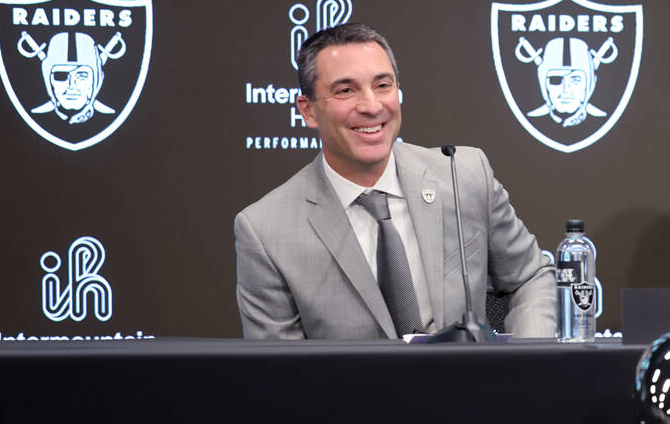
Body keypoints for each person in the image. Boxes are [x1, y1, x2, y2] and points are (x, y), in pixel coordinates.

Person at [235, 23, 556, 339]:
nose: (372, 106)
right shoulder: (266, 231)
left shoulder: (464, 176)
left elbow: (530, 277)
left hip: (469, 375)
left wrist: (525, 360)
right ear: (308, 111)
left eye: (383, 85)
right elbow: (279, 367)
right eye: (346, 90)